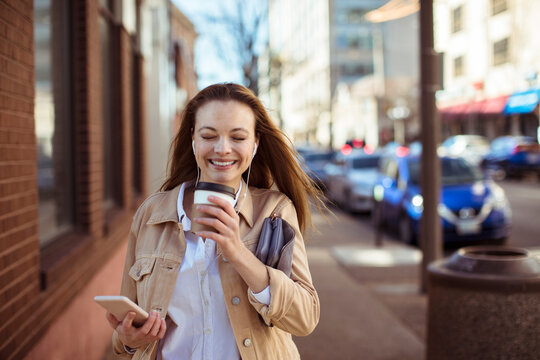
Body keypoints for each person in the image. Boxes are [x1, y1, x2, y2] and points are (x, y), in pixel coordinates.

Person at [106, 83, 326, 359]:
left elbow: (305, 318)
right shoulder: (151, 214)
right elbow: (126, 327)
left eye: (238, 137)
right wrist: (127, 338)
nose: (223, 149)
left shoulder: (274, 211)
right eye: (209, 135)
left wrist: (237, 252)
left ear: (255, 143)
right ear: (194, 140)